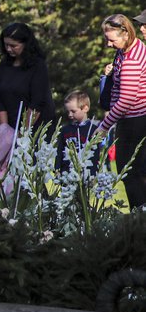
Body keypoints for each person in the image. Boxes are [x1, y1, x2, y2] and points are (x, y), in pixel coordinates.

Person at [95, 14, 146, 208]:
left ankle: (139, 218)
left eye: (111, 39)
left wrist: (104, 126)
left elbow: (126, 100)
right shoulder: (131, 48)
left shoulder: (131, 59)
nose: (108, 44)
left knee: (128, 172)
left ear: (125, 34)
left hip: (133, 121)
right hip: (134, 119)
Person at [0, 23, 54, 130]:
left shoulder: (38, 65)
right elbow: (0, 100)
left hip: (33, 128)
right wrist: (4, 130)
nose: (8, 49)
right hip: (9, 127)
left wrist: (22, 133)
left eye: (13, 46)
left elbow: (37, 102)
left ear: (26, 44)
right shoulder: (4, 65)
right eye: (6, 45)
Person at [55, 90, 100, 174]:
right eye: (68, 111)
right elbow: (60, 150)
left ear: (85, 108)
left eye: (73, 111)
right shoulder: (65, 130)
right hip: (67, 173)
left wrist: (94, 172)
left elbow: (96, 154)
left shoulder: (94, 130)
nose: (70, 115)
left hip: (87, 173)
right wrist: (57, 168)